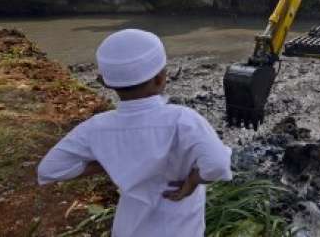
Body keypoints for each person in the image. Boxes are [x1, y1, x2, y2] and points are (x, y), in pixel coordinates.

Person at [37, 29, 232, 237]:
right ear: (161, 78)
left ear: (104, 82)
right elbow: (218, 165)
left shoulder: (96, 128)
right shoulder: (184, 120)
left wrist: (112, 159)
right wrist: (193, 180)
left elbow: (50, 169)